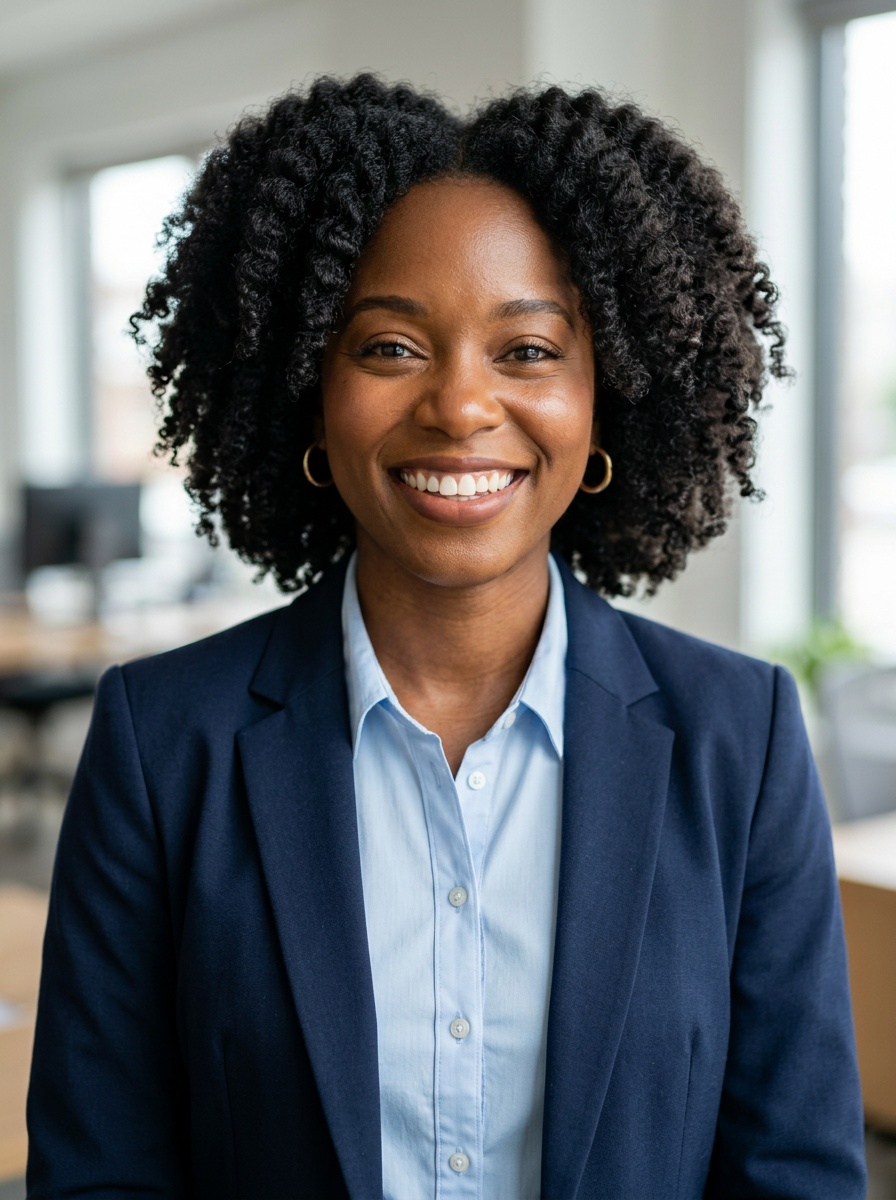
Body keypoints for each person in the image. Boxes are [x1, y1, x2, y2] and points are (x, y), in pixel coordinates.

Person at [27, 75, 865, 1199]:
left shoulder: (741, 741)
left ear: (605, 393)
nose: (460, 406)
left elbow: (793, 1174)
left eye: (526, 351)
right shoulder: (160, 740)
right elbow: (101, 1173)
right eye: (388, 348)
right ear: (308, 389)